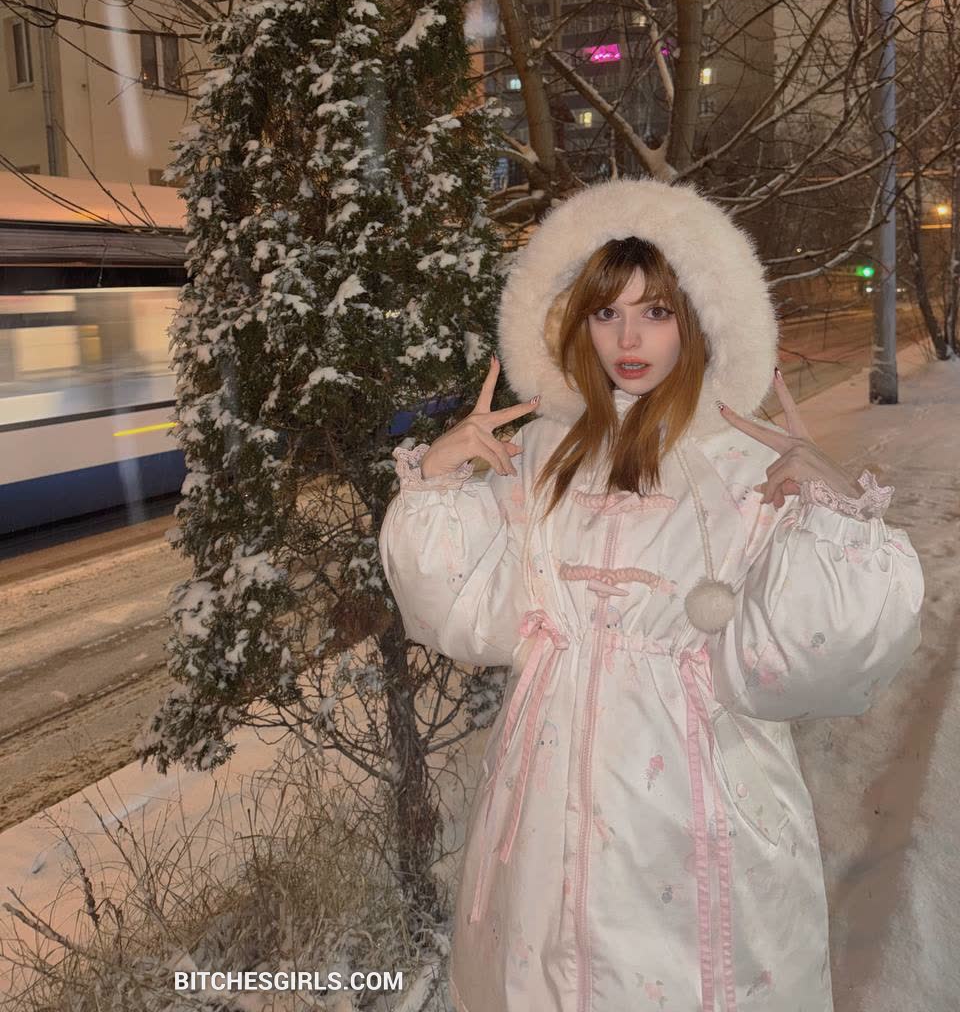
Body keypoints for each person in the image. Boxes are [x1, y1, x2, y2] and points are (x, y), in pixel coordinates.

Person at [377, 177, 924, 1012]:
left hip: (695, 815)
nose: (628, 338)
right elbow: (463, 614)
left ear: (700, 317)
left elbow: (818, 666)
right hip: (544, 814)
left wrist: (833, 512)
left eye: (657, 311)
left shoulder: (746, 462)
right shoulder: (544, 454)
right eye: (606, 312)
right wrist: (442, 483)